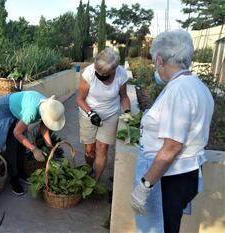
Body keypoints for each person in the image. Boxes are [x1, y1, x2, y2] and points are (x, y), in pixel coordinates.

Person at [130, 30, 214, 233]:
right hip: (184, 175)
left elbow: (172, 146)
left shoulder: (179, 90)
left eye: (153, 61)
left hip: (170, 179)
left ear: (160, 59)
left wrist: (145, 185)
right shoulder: (196, 86)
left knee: (161, 228)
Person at [0, 90, 65, 195]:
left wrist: (50, 146)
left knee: (22, 145)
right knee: (13, 145)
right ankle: (13, 179)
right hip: (5, 109)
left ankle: (22, 173)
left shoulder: (48, 106)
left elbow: (44, 128)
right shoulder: (31, 112)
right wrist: (34, 149)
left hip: (18, 110)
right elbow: (16, 133)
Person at [76, 48, 131, 181]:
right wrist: (91, 114)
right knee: (89, 150)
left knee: (102, 148)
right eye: (98, 71)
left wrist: (127, 112)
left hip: (111, 114)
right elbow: (80, 99)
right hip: (88, 113)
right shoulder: (88, 73)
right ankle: (89, 169)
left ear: (114, 69)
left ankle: (95, 180)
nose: (99, 74)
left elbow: (124, 97)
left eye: (104, 73)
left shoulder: (121, 75)